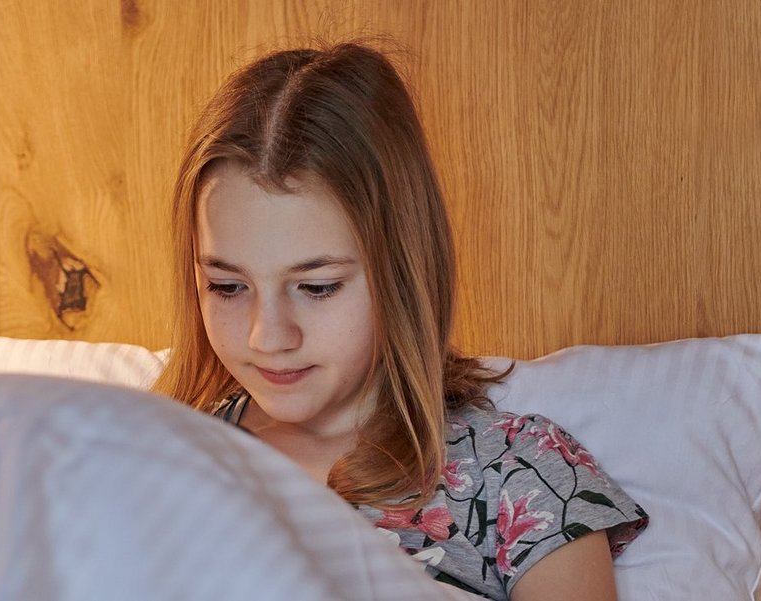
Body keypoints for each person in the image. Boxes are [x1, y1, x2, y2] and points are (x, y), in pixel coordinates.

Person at [152, 42, 650, 601]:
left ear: (402, 270)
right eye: (227, 287)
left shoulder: (517, 474)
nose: (267, 336)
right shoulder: (148, 457)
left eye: (317, 287)